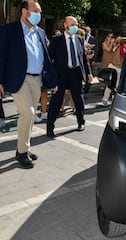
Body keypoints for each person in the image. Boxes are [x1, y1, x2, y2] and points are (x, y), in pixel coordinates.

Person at [0, 0, 57, 168]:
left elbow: (45, 58)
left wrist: (52, 80)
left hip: (36, 79)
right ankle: (22, 152)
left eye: (39, 12)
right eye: (35, 11)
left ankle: (25, 147)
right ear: (24, 12)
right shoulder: (9, 30)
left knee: (30, 117)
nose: (38, 15)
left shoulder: (39, 32)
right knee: (28, 113)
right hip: (19, 79)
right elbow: (1, 56)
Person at [46, 16, 93, 137]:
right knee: (56, 101)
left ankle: (81, 122)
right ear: (65, 25)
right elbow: (48, 59)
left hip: (75, 74)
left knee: (79, 99)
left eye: (76, 24)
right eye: (72, 24)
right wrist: (49, 77)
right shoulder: (56, 40)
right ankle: (50, 127)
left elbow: (83, 58)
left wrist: (89, 73)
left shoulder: (79, 39)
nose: (75, 27)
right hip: (61, 74)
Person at [83, 26, 98, 94]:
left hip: (90, 59)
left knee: (88, 74)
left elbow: (96, 50)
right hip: (82, 59)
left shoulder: (93, 39)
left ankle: (86, 89)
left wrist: (94, 60)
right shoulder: (81, 38)